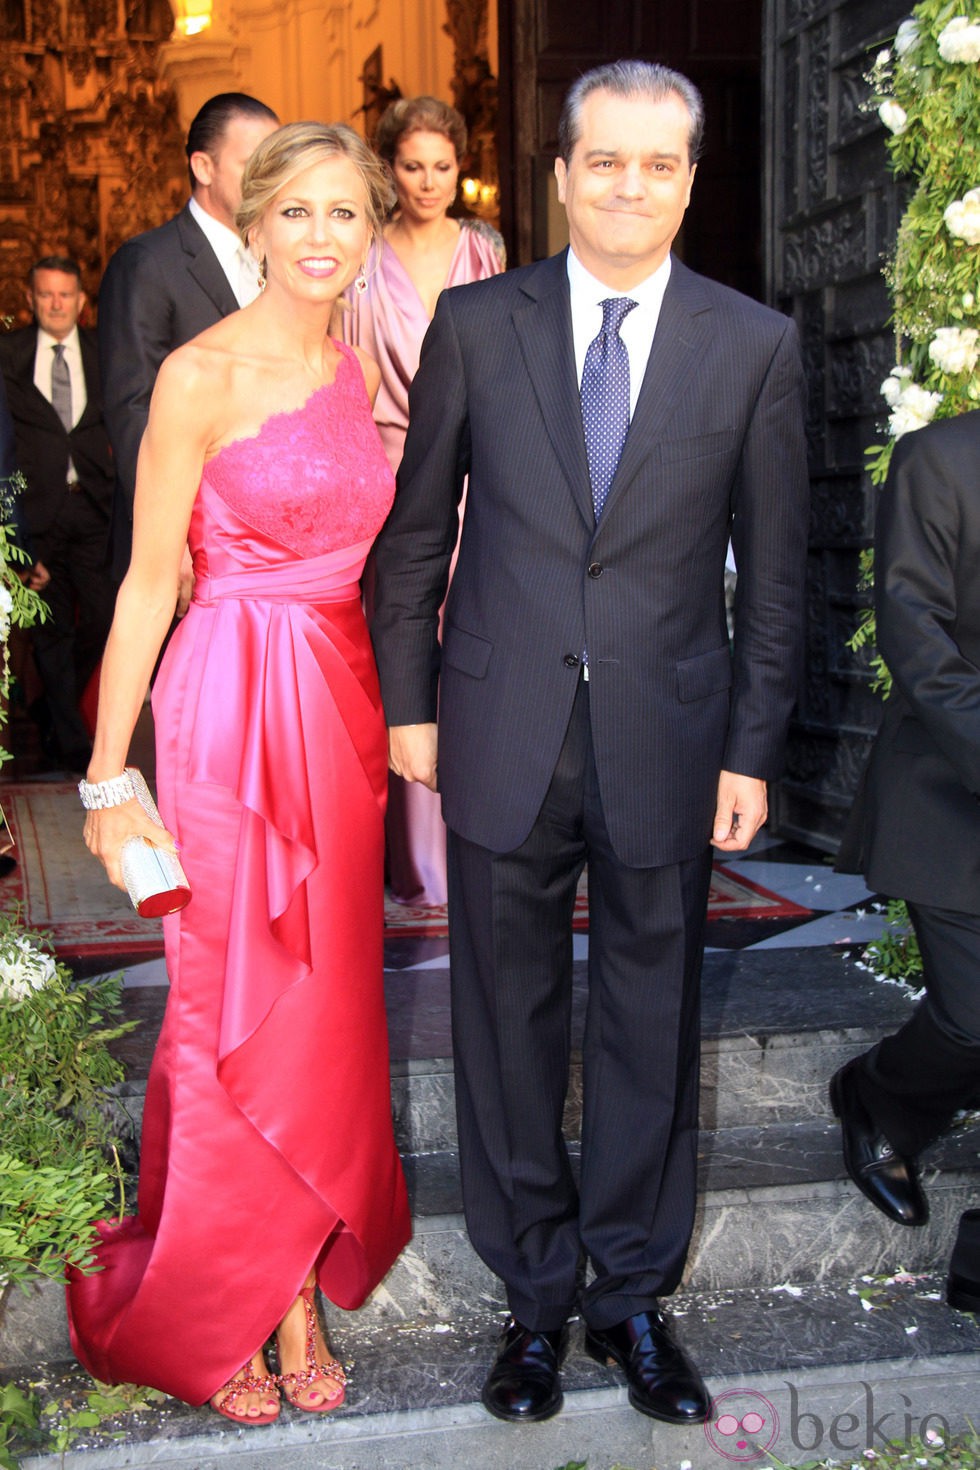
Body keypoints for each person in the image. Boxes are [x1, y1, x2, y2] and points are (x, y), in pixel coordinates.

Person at [371, 59, 809, 1426]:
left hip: (667, 738)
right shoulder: (475, 322)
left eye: (656, 163)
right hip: (497, 729)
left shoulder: (754, 346)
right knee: (505, 1027)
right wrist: (409, 708)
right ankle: (534, 1301)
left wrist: (750, 747)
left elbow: (780, 576)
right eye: (602, 161)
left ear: (688, 179)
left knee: (648, 1021)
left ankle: (629, 1293)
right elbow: (413, 540)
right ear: (559, 176)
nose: (628, 185)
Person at [67, 121, 411, 1422]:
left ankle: (298, 1283)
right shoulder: (197, 376)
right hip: (223, 706)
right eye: (301, 212)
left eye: (349, 214)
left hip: (335, 709)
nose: (325, 236)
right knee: (227, 1006)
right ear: (253, 224)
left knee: (326, 1010)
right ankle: (237, 1299)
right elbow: (151, 579)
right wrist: (110, 777)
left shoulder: (357, 366)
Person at [832, 409, 980, 1314]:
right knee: (974, 1021)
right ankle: (878, 1097)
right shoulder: (941, 458)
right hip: (950, 793)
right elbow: (916, 640)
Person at [343, 95, 505, 906]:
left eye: (443, 165)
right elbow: (346, 374)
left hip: (483, 477)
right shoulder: (361, 258)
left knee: (477, 649)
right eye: (413, 165)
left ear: (460, 166)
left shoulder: (488, 249)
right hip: (388, 480)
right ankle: (414, 862)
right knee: (401, 654)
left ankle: (482, 829)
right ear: (390, 168)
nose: (429, 180)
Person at [98, 92, 279, 584]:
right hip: (189, 534)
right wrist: (168, 536)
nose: (270, 180)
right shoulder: (146, 263)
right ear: (203, 166)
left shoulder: (281, 259)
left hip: (268, 537)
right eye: (253, 165)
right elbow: (133, 410)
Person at [0, 257, 115, 771]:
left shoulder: (103, 354)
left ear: (80, 301)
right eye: (45, 294)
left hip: (94, 507)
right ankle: (71, 742)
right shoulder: (9, 355)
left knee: (102, 617)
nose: (55, 304)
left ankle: (54, 706)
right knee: (49, 628)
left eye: (65, 295)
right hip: (38, 513)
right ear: (30, 299)